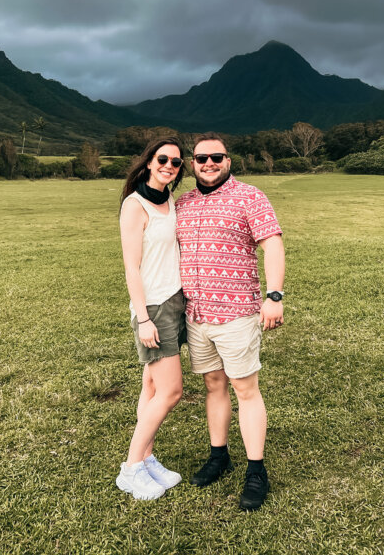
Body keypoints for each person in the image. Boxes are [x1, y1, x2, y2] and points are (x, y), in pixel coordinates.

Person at [175, 132, 285, 512]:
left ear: (229, 160)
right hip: (196, 313)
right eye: (202, 158)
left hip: (237, 312)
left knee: (245, 389)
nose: (209, 164)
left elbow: (273, 244)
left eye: (216, 157)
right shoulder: (183, 203)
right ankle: (219, 455)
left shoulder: (250, 196)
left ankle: (257, 470)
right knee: (213, 384)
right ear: (192, 163)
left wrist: (275, 296)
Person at [115, 136, 188, 501]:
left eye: (176, 163)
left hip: (174, 302)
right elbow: (131, 267)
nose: (169, 166)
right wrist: (143, 318)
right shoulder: (135, 204)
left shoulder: (169, 199)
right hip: (154, 308)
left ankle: (146, 457)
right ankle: (130, 469)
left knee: (152, 387)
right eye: (163, 159)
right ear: (148, 162)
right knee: (172, 391)